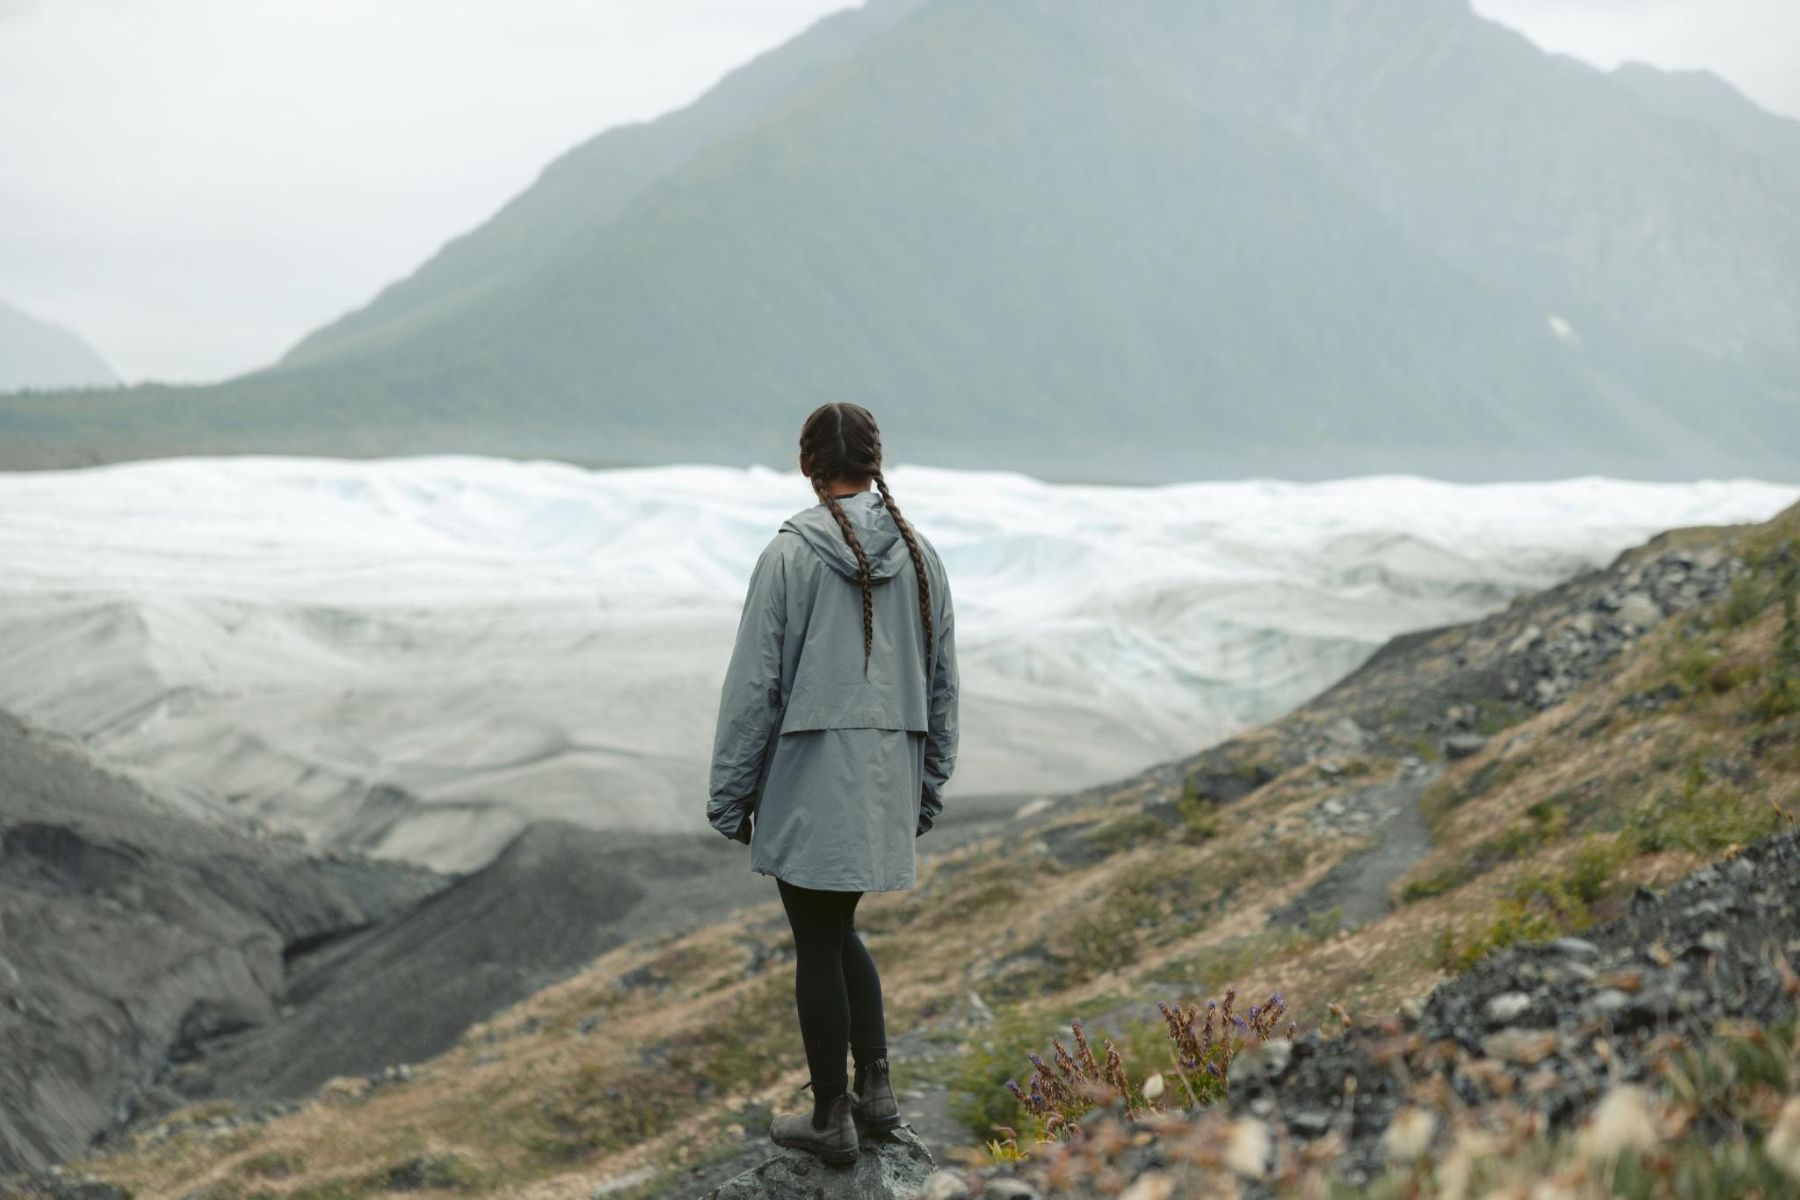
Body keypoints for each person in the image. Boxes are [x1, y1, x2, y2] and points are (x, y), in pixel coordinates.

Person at [706, 402, 960, 1165]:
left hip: (810, 779)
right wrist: (929, 782)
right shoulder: (921, 556)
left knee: (817, 939)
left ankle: (830, 1117)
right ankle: (874, 1094)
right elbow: (943, 682)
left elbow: (755, 685)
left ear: (807, 465)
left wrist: (730, 793)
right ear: (875, 463)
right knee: (836, 928)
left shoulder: (790, 555)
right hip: (886, 777)